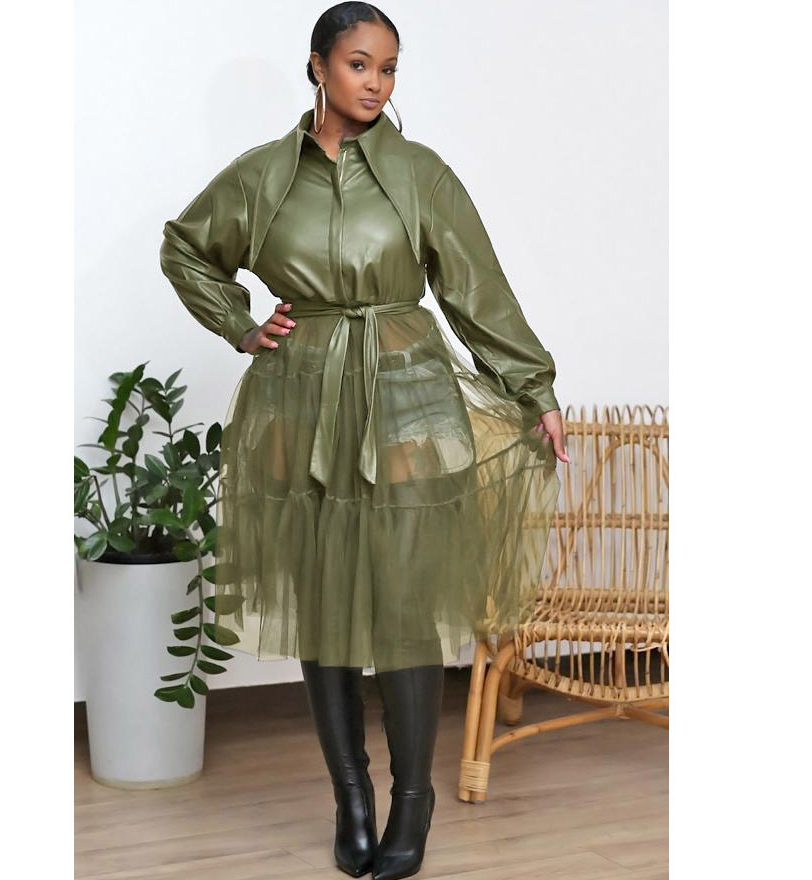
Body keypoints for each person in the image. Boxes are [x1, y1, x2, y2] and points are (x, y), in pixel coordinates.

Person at [159, 4, 569, 878]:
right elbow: (185, 249)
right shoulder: (262, 176)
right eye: (358, 64)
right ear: (317, 66)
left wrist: (533, 389)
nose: (375, 82)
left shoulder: (421, 175)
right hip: (299, 401)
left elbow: (476, 293)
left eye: (388, 68)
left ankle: (412, 801)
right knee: (325, 600)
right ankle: (351, 798)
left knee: (406, 602)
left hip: (407, 394)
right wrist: (239, 323)